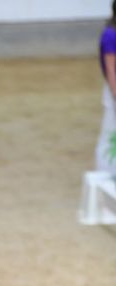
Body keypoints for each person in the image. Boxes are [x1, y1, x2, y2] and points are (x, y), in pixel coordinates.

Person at [96, 2, 116, 174]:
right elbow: (111, 70)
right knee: (110, 134)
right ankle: (105, 172)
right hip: (114, 91)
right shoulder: (110, 35)